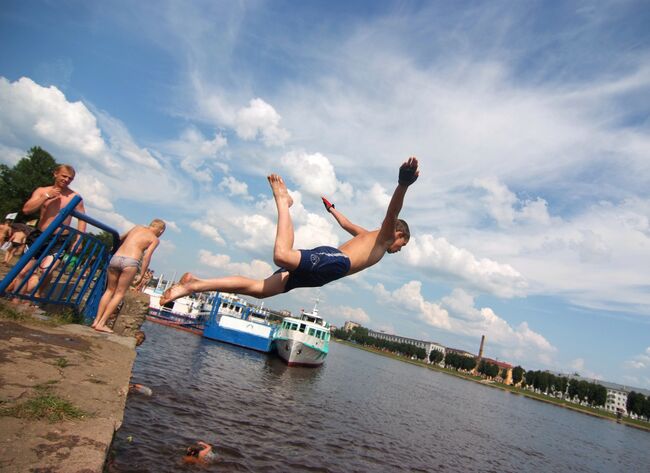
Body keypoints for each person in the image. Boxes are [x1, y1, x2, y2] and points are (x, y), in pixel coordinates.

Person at [160, 157, 419, 304]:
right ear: (398, 234)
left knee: (260, 290)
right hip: (335, 263)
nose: (398, 250)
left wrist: (331, 209)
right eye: (402, 245)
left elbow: (345, 223)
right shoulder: (384, 238)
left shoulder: (367, 236)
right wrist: (403, 185)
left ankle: (194, 285)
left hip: (323, 274)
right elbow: (391, 214)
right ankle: (284, 203)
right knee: (282, 255)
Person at [7, 165, 86, 298]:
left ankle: (37, 294)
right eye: (64, 176)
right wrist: (46, 197)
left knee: (46, 270)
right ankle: (17, 300)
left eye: (70, 178)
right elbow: (26, 210)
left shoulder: (75, 197)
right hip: (39, 235)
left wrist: (79, 239)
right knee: (23, 272)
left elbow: (82, 219)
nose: (66, 180)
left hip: (59, 239)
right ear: (55, 174)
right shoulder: (42, 191)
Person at [91, 219, 165, 333]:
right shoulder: (154, 239)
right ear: (160, 230)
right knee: (119, 293)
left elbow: (120, 238)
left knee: (109, 290)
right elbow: (146, 257)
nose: (161, 234)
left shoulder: (137, 227)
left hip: (116, 258)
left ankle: (96, 321)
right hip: (131, 261)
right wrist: (141, 274)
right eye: (162, 232)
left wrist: (114, 249)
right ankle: (102, 323)